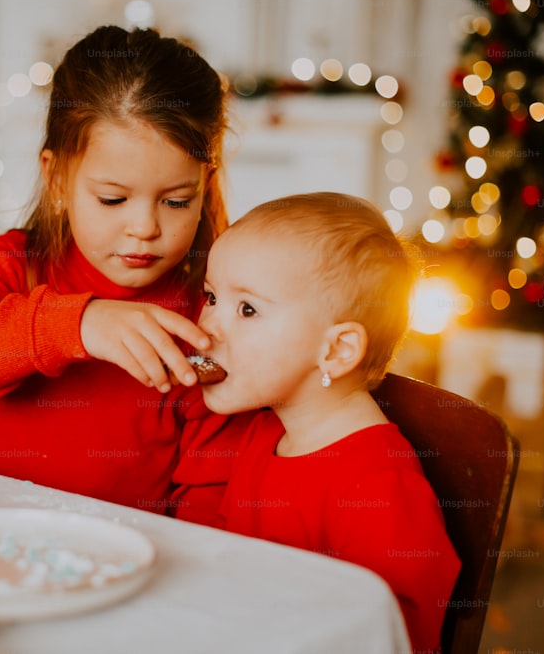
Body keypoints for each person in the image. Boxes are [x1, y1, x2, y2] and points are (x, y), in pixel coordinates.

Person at [0, 25, 233, 513]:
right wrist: (77, 324)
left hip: (128, 558)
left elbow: (209, 483)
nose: (144, 227)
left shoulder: (209, 303)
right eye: (113, 198)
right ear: (56, 176)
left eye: (175, 200)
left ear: (205, 187)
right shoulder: (16, 263)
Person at [171, 193, 460, 654]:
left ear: (337, 350)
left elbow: (393, 635)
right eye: (211, 297)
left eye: (247, 309)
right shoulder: (262, 432)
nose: (206, 329)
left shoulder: (378, 488)